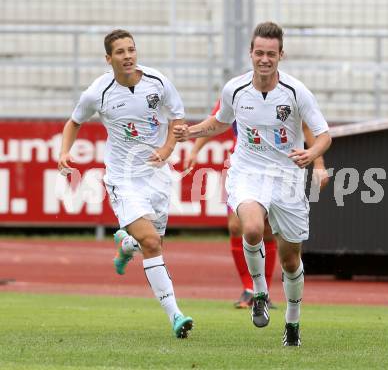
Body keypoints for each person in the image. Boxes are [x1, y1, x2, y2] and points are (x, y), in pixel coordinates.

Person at [174, 22, 331, 346]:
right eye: (259, 53)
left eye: (270, 54)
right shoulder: (234, 88)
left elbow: (323, 134)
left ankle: (292, 322)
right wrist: (190, 133)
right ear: (251, 53)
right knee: (251, 229)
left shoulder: (296, 92)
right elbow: (219, 122)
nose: (264, 59)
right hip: (248, 171)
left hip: (286, 176)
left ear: (280, 55)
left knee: (291, 261)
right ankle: (258, 292)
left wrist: (314, 156)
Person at [57, 29, 193, 339]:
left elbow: (177, 118)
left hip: (157, 174)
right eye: (120, 51)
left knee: (151, 240)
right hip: (123, 177)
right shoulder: (98, 92)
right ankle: (176, 315)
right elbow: (74, 122)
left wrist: (168, 149)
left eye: (131, 49)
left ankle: (125, 244)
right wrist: (64, 152)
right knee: (153, 243)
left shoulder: (157, 82)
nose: (128, 55)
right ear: (109, 59)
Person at [185, 100, 329, 310]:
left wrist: (318, 162)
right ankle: (248, 288)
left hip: (278, 169)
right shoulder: (237, 92)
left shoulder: (287, 93)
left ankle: (263, 292)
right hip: (242, 169)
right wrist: (194, 150)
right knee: (236, 225)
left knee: (268, 230)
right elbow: (215, 123)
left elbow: (307, 127)